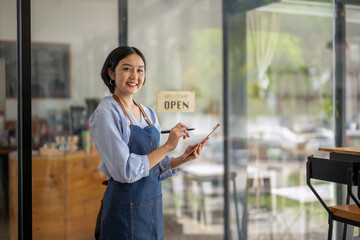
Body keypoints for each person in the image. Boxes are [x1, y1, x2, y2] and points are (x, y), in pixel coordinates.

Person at [90, 46, 208, 240]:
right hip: (123, 212)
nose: (134, 75)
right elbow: (126, 170)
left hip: (151, 209)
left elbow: (151, 163)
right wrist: (168, 146)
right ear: (111, 72)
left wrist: (181, 158)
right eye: (127, 68)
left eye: (140, 69)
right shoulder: (106, 114)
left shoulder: (148, 113)